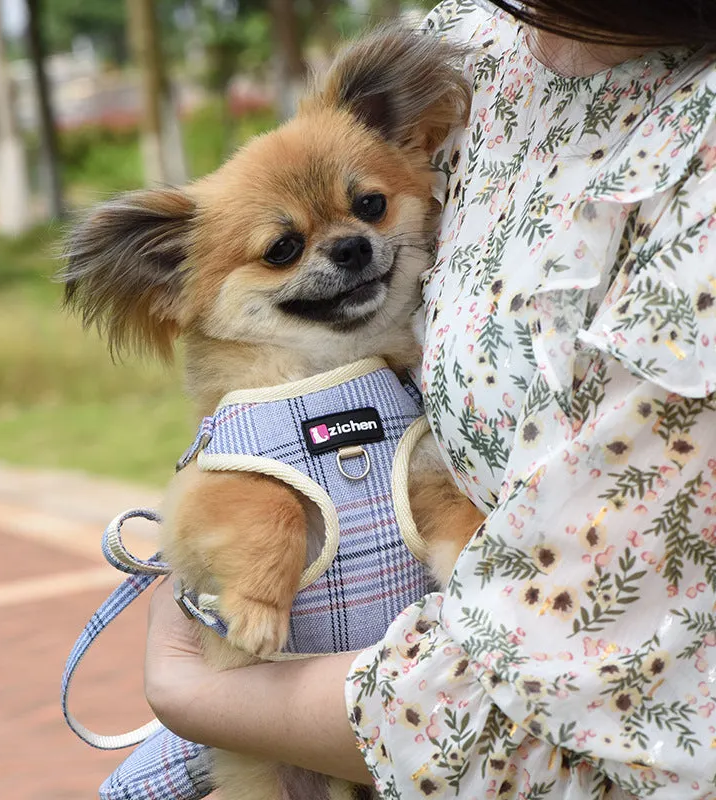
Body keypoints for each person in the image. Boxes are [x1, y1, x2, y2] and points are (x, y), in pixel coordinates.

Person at [144, 0, 716, 796]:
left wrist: (195, 693)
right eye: (283, 250)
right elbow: (204, 507)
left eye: (368, 209)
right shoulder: (471, 38)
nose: (347, 245)